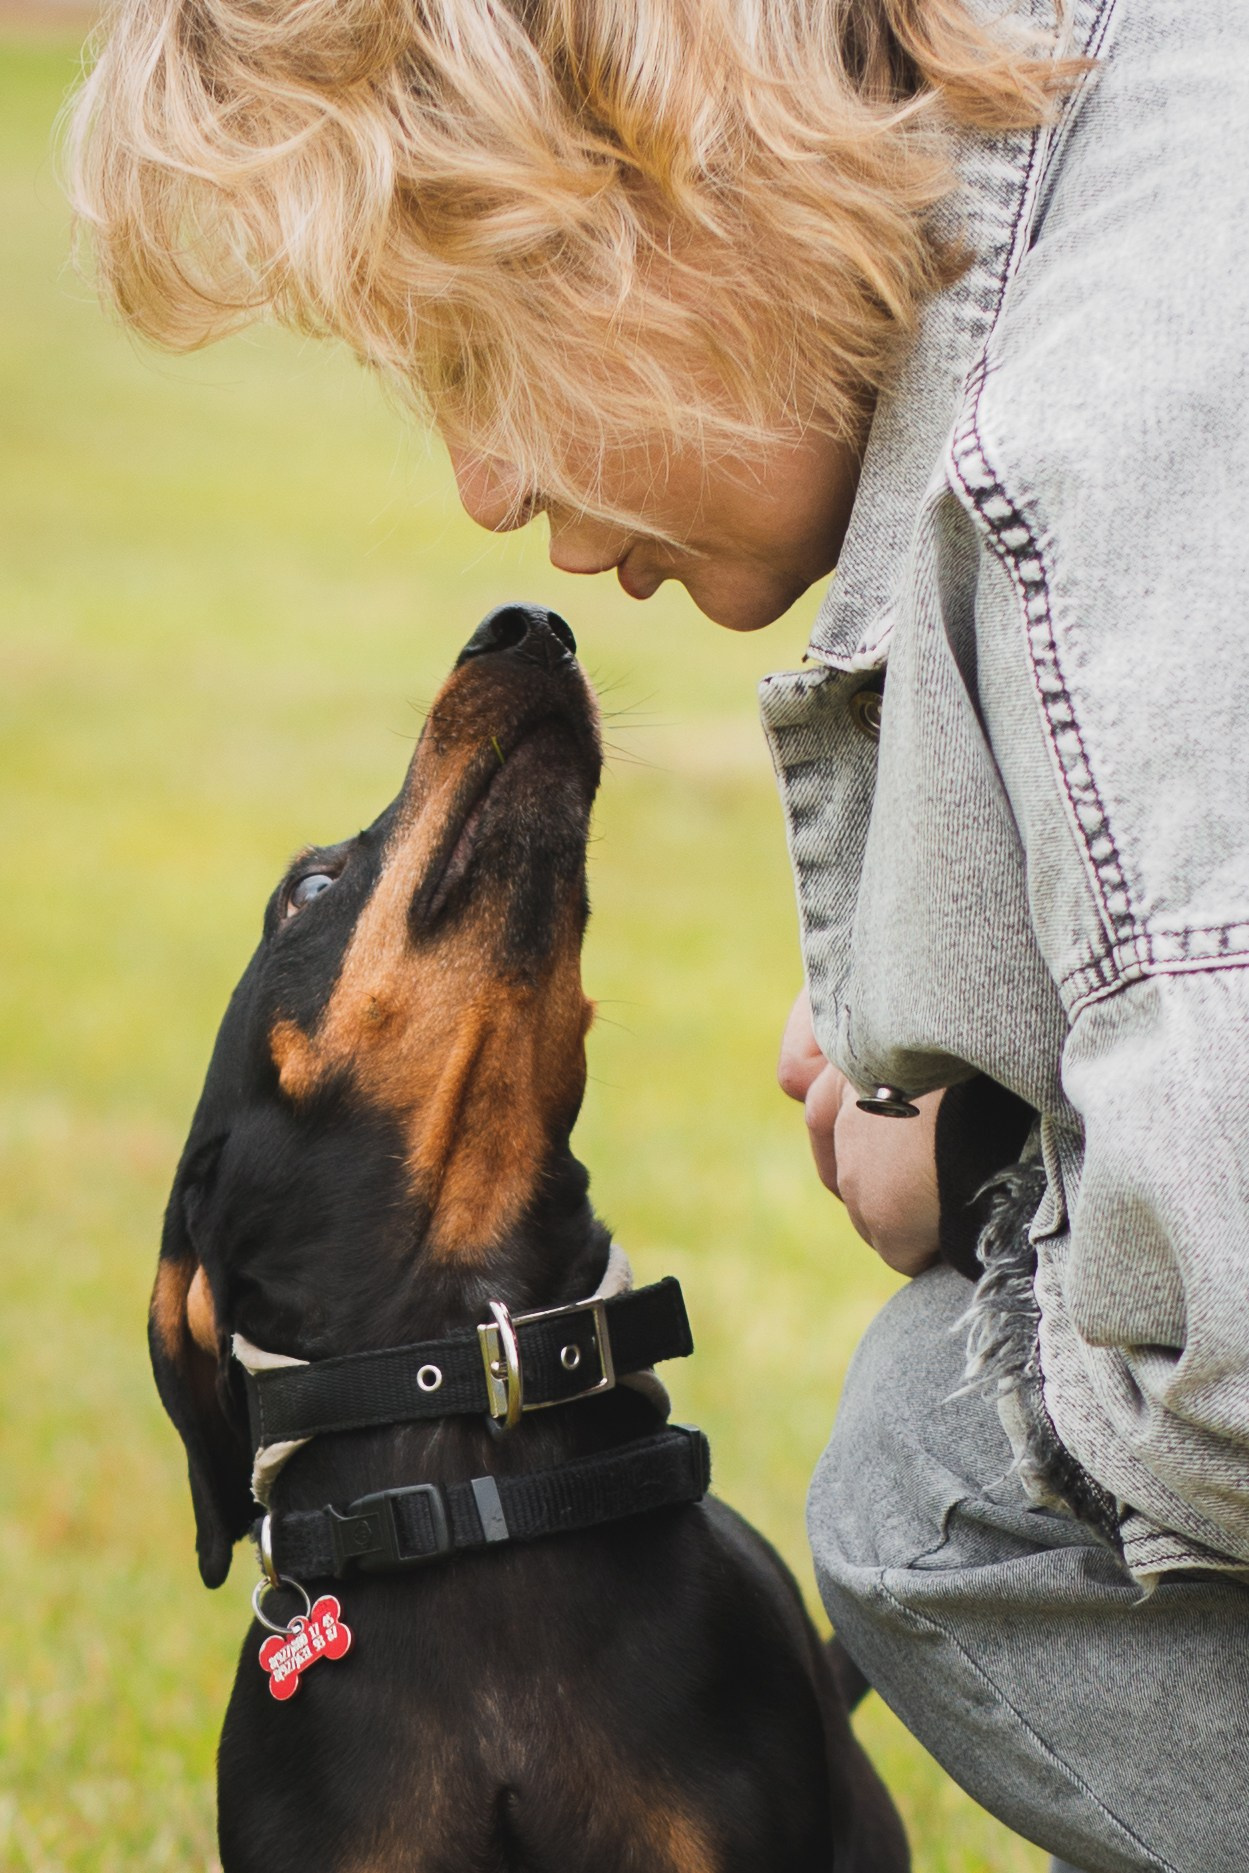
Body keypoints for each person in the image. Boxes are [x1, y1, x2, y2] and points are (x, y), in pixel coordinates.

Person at [69, 1, 1249, 1867]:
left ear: (649, 156)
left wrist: (1027, 1236)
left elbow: (1236, 1345)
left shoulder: (1095, 462)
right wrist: (997, 1114)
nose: (482, 485)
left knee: (922, 1488)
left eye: (477, 339)